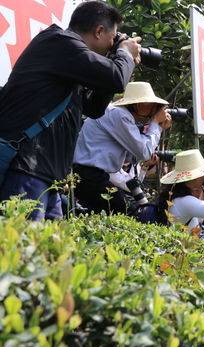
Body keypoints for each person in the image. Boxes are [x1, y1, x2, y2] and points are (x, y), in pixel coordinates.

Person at [0, 1, 140, 220]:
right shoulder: (60, 43)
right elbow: (116, 78)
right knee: (19, 248)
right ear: (99, 31)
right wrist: (125, 54)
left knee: (47, 251)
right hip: (27, 169)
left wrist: (116, 57)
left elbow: (94, 108)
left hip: (48, 175)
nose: (112, 44)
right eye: (112, 38)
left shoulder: (69, 63)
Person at [73, 82, 171, 214]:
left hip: (91, 175)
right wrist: (155, 124)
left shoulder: (118, 114)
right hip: (89, 175)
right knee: (125, 212)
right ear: (138, 104)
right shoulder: (119, 115)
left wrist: (154, 126)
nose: (156, 109)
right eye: (151, 104)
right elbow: (145, 152)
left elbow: (133, 155)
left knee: (113, 212)